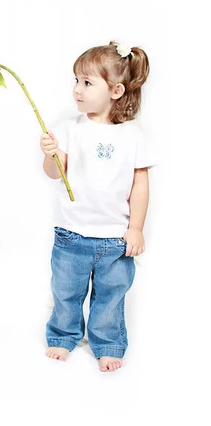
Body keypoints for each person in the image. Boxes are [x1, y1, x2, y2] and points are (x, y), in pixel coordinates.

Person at [40, 41, 156, 372]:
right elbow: (54, 174)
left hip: (114, 240)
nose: (77, 90)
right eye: (76, 80)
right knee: (65, 292)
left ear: (116, 90)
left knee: (110, 297)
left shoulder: (132, 136)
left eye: (87, 83)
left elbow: (140, 187)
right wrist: (50, 153)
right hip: (71, 234)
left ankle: (107, 342)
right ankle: (63, 336)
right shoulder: (68, 128)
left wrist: (135, 228)